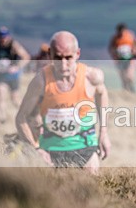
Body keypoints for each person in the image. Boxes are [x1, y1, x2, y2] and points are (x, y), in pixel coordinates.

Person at [15, 31, 111, 172]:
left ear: (77, 54)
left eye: (68, 58)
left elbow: (102, 94)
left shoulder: (91, 77)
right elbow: (21, 118)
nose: (63, 64)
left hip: (85, 147)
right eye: (58, 58)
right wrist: (36, 149)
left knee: (92, 185)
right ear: (50, 54)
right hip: (51, 151)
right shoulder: (41, 81)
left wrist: (103, 133)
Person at [0, 26, 30, 124]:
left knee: (15, 98)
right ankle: (2, 120)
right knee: (1, 96)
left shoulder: (13, 45)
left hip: (13, 76)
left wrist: (16, 67)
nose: (3, 39)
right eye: (1, 37)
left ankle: (25, 117)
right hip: (2, 75)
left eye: (4, 36)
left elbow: (26, 57)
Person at [108, 23, 136, 92]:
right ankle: (126, 90)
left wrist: (134, 52)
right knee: (123, 76)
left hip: (130, 59)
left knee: (130, 76)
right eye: (120, 32)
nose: (122, 33)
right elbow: (111, 48)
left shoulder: (130, 36)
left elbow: (135, 44)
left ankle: (132, 88)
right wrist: (114, 57)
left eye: (123, 31)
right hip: (120, 60)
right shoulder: (115, 38)